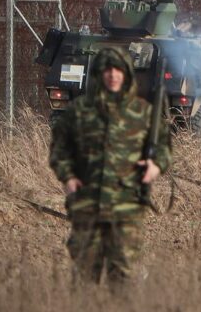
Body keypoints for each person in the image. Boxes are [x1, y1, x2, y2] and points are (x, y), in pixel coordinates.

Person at [49, 47, 172, 284]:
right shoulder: (79, 111)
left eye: (118, 70)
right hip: (87, 204)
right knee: (84, 274)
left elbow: (165, 149)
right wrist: (68, 177)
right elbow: (59, 149)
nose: (113, 75)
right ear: (98, 74)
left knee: (123, 273)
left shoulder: (143, 113)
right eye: (107, 70)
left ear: (126, 74)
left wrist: (155, 166)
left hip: (126, 205)